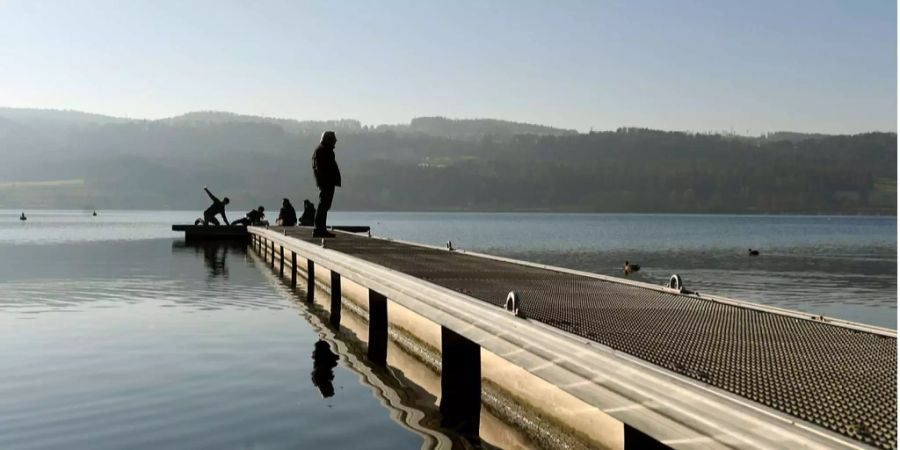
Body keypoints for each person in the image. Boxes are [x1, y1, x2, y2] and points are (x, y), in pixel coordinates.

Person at [311, 131, 341, 237]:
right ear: (328, 139)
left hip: (326, 182)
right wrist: (326, 180)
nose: (336, 140)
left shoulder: (322, 150)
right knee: (323, 205)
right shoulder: (324, 151)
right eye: (333, 138)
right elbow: (322, 168)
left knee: (324, 205)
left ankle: (320, 229)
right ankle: (319, 229)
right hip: (326, 182)